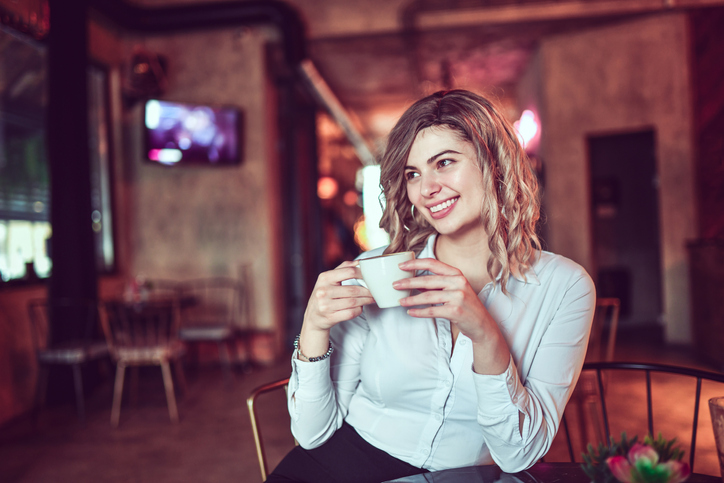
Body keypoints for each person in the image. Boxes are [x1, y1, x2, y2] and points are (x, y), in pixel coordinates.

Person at [266, 89, 596, 483]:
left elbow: (518, 453)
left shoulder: (564, 287)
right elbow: (311, 433)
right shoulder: (375, 271)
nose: (426, 189)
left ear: (495, 163)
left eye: (444, 162)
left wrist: (486, 334)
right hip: (343, 462)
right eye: (413, 174)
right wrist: (313, 329)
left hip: (464, 475)